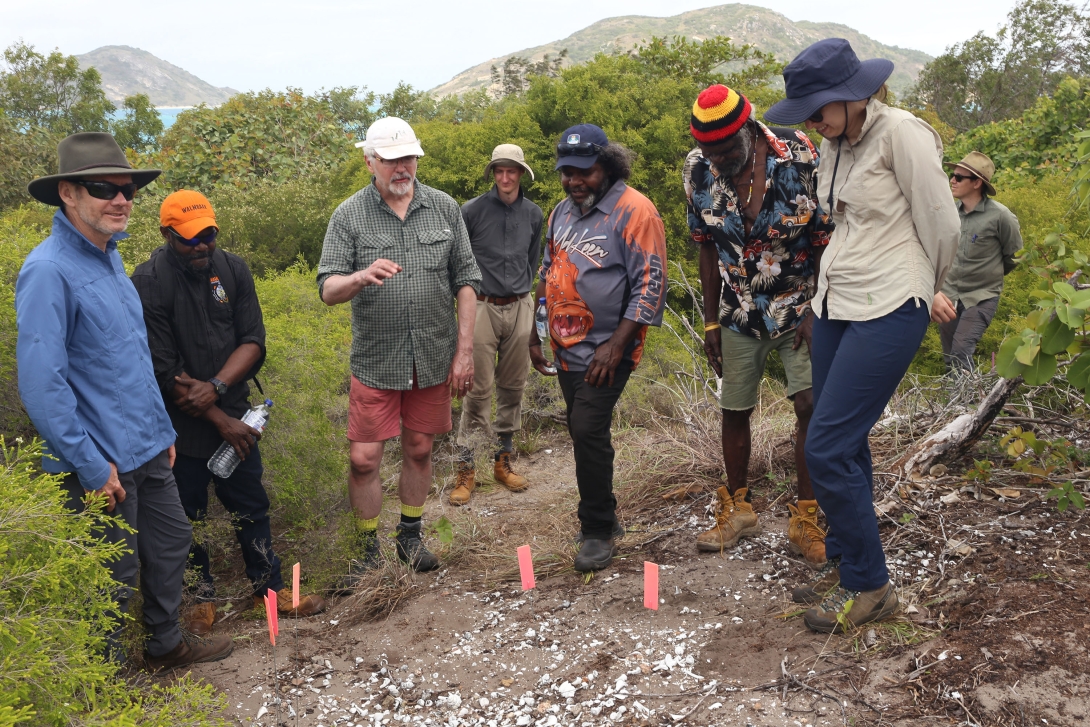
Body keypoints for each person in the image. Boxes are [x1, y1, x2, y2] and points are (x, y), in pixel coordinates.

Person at [16, 132, 232, 670]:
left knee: (170, 545)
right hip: (98, 460)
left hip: (148, 447)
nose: (120, 199)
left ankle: (165, 646)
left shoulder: (109, 258)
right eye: (103, 188)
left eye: (128, 189)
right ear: (68, 193)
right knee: (110, 575)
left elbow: (132, 360)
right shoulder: (47, 271)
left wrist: (162, 433)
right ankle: (108, 683)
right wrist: (90, 465)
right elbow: (44, 386)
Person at [764, 39, 960, 632]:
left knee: (823, 445)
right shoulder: (833, 145)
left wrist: (930, 286)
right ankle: (851, 559)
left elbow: (943, 221)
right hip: (838, 302)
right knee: (845, 441)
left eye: (821, 107)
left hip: (891, 301)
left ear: (855, 96)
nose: (815, 120)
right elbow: (841, 226)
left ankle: (870, 587)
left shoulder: (902, 132)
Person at [132, 190, 326, 635]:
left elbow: (253, 341)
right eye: (189, 239)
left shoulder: (233, 269)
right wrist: (218, 419)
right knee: (187, 517)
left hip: (238, 417)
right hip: (178, 428)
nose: (201, 246)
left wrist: (218, 389)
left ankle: (270, 593)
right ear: (166, 234)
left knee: (252, 506)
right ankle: (201, 601)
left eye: (209, 235)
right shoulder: (147, 282)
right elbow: (164, 370)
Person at [317, 117, 481, 583]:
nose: (402, 167)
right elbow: (328, 288)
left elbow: (466, 280)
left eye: (408, 157)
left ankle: (410, 535)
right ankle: (366, 548)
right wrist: (358, 277)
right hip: (376, 359)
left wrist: (464, 351)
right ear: (370, 161)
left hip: (433, 355)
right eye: (391, 160)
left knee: (420, 447)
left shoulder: (444, 208)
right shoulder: (349, 215)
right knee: (363, 458)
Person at [684, 84, 834, 568]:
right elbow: (707, 244)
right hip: (738, 307)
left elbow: (828, 236)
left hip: (799, 301)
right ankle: (739, 508)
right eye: (710, 149)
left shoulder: (802, 156)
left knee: (809, 404)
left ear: (749, 129)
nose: (718, 158)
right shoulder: (697, 169)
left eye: (726, 148)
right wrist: (710, 323)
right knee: (734, 408)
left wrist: (820, 307)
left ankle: (806, 517)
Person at [532, 124, 667, 573]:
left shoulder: (635, 211)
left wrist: (615, 345)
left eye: (584, 172)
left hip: (610, 347)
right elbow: (549, 270)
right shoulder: (561, 213)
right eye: (566, 173)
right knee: (583, 428)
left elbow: (650, 285)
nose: (574, 181)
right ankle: (605, 514)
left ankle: (596, 529)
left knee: (586, 426)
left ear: (607, 166)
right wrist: (535, 331)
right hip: (566, 345)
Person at [450, 144, 544, 505]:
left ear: (521, 173)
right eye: (499, 171)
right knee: (477, 389)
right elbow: (458, 263)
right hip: (482, 305)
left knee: (514, 387)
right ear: (493, 174)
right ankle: (465, 470)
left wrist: (529, 304)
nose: (505, 178)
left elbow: (532, 261)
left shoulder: (534, 214)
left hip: (520, 304)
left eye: (512, 171)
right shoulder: (471, 211)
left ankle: (503, 462)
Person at [935, 151, 1023, 372]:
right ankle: (956, 406)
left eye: (959, 177)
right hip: (948, 296)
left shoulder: (1001, 216)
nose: (952, 180)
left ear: (977, 183)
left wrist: (989, 275)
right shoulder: (948, 213)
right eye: (952, 175)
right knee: (949, 358)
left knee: (961, 350)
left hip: (982, 296)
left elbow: (1014, 256)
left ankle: (971, 404)